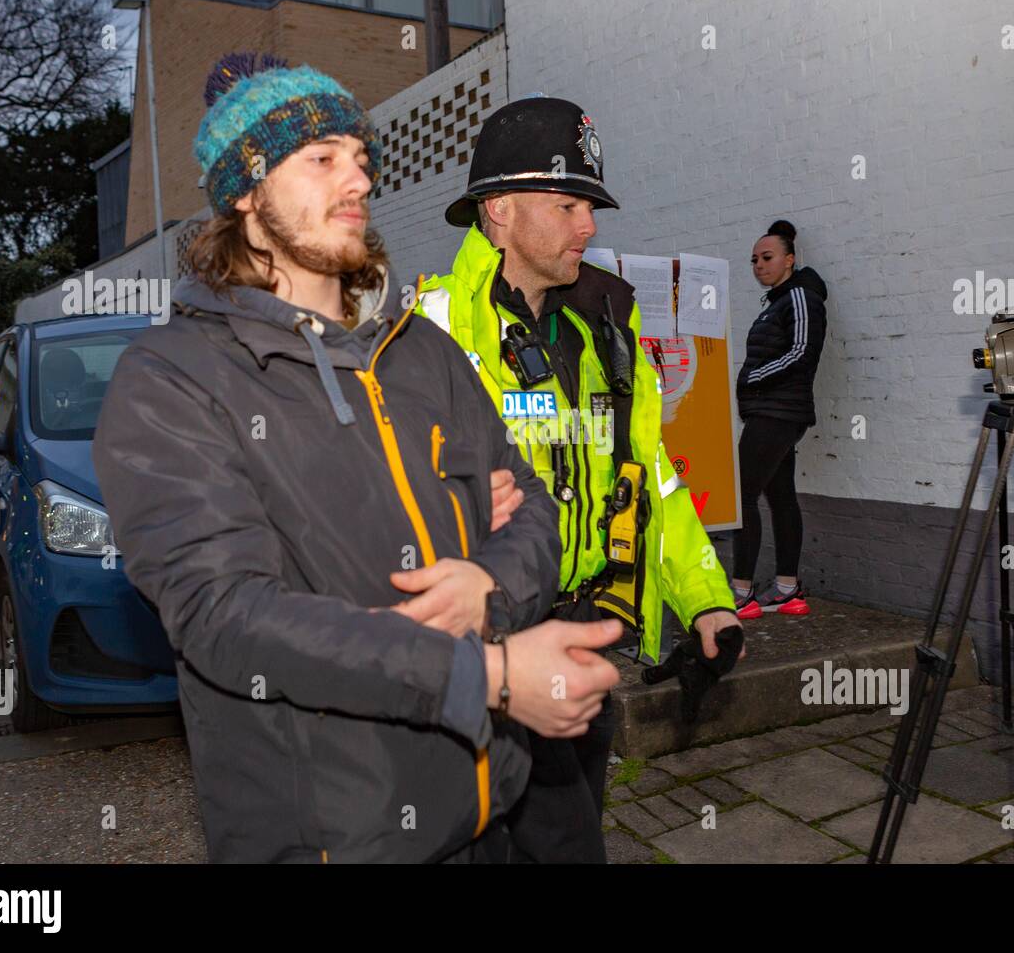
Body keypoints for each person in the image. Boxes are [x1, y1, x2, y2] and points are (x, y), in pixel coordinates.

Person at [91, 54, 622, 862]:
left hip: (498, 811)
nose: (359, 181)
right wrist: (487, 676)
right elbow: (227, 614)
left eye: (363, 160)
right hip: (344, 841)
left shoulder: (424, 352)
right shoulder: (171, 380)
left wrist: (488, 584)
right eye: (322, 159)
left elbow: (538, 510)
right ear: (245, 191)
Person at [414, 96, 743, 862]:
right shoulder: (428, 334)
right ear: (498, 212)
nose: (588, 227)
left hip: (587, 644)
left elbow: (651, 479)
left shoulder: (603, 330)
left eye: (588, 206)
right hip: (489, 660)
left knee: (574, 822)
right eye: (566, 205)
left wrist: (706, 601)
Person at [730, 220, 827, 620]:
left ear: (789, 259)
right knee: (780, 496)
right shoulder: (778, 301)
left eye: (767, 258)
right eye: (754, 260)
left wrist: (752, 378)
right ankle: (788, 589)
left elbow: (802, 353)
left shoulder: (801, 296)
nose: (758, 265)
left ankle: (741, 593)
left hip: (779, 413)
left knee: (741, 495)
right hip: (772, 412)